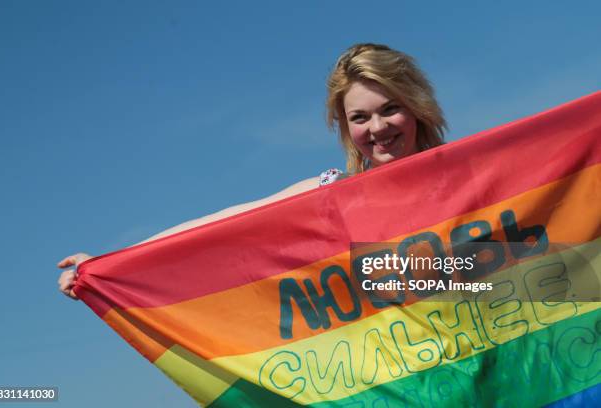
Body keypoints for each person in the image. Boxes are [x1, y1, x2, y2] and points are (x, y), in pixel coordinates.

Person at [57, 43, 446, 299]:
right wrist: (110, 263)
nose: (377, 128)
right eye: (360, 117)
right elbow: (222, 226)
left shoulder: (471, 179)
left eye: (389, 109)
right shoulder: (332, 195)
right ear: (345, 127)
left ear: (416, 107)